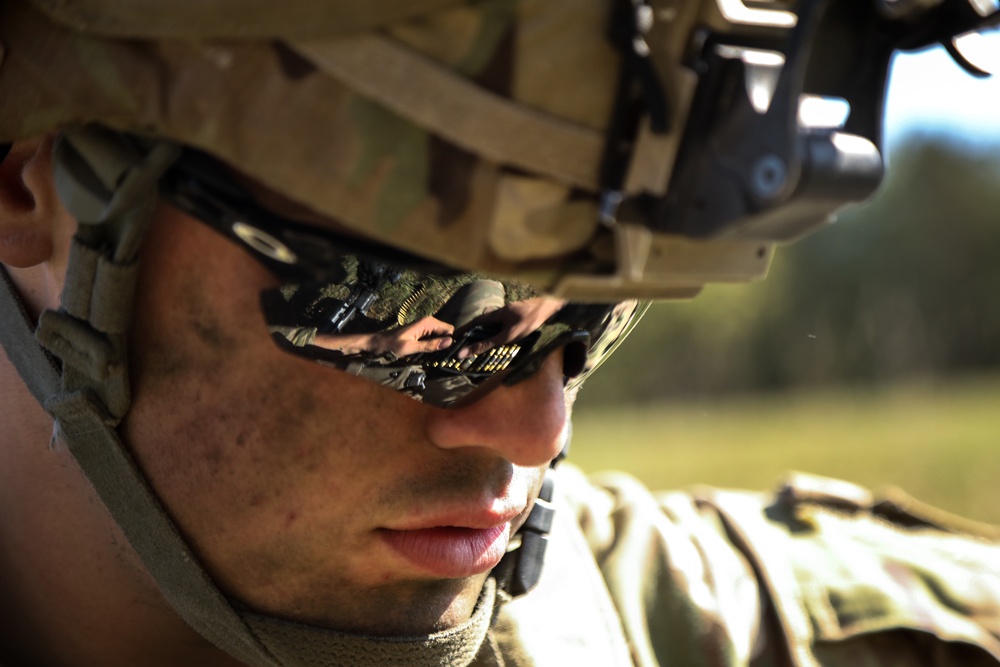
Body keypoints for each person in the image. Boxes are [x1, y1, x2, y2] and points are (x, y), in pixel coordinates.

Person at [1, 1, 999, 666]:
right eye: (418, 308)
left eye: (594, 313)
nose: (537, 428)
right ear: (28, 184)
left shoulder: (732, 626)